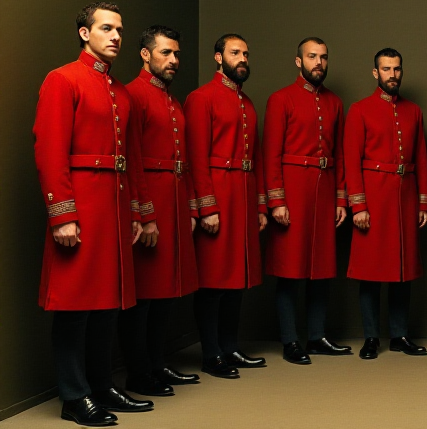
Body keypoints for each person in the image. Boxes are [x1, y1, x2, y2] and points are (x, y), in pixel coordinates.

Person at [34, 2, 155, 426]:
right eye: (106, 28)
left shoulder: (120, 92)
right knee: (75, 306)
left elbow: (133, 158)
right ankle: (73, 396)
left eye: (120, 29)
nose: (116, 36)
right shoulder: (62, 79)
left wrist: (139, 211)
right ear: (85, 33)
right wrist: (62, 214)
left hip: (116, 210)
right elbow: (50, 150)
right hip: (81, 208)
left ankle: (102, 386)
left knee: (108, 304)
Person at [120, 25, 203, 396]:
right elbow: (134, 158)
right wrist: (145, 213)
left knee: (167, 292)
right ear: (145, 54)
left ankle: (158, 363)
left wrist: (186, 206)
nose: (174, 60)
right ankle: (139, 373)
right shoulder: (133, 95)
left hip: (174, 199)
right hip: (150, 200)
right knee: (146, 296)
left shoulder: (172, 100)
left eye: (176, 54)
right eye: (166, 53)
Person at [184, 33, 268, 379]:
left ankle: (231, 347)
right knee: (213, 282)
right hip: (218, 194)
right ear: (218, 58)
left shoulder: (247, 102)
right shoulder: (201, 98)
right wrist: (207, 206)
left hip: (244, 195)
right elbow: (195, 156)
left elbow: (256, 157)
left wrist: (261, 204)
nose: (242, 58)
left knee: (238, 279)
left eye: (246, 53)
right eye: (235, 53)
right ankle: (212, 354)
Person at [264, 37, 351, 365]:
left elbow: (340, 154)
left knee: (322, 269)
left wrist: (341, 198)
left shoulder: (335, 103)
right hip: (293, 192)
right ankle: (290, 341)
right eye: (312, 57)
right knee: (290, 271)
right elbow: (270, 153)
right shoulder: (280, 99)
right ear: (298, 61)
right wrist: (276, 201)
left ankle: (317, 336)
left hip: (325, 192)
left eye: (324, 57)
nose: (319, 63)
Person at [345, 48, 427, 359]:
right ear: (375, 73)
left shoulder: (414, 111)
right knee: (370, 273)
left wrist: (423, 203)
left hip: (405, 199)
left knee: (403, 271)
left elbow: (421, 157)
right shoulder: (360, 110)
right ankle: (371, 338)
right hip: (373, 199)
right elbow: (351, 161)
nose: (392, 75)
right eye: (386, 69)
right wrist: (358, 205)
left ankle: (400, 335)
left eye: (396, 69)